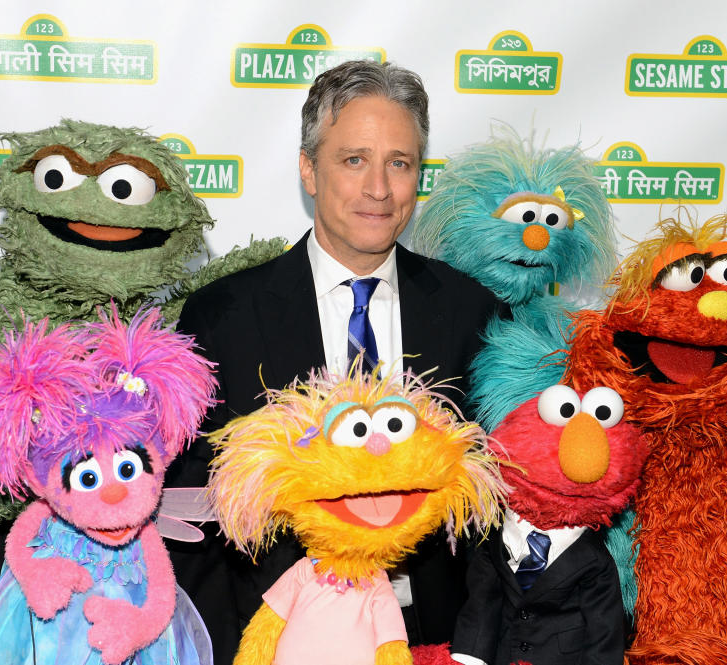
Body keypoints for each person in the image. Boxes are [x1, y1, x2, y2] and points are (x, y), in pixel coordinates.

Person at [166, 60, 503, 664]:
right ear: (308, 170)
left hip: (438, 639)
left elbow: (497, 502)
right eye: (354, 160)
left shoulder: (474, 311)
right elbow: (198, 515)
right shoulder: (223, 318)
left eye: (399, 163)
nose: (379, 188)